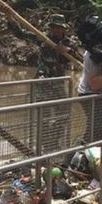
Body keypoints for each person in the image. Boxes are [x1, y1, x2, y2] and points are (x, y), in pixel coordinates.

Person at [36, 14, 74, 154]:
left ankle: (55, 141)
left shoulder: (68, 42)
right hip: (43, 83)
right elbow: (22, 34)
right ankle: (46, 145)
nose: (57, 30)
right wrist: (10, 18)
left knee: (64, 114)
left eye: (60, 28)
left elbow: (79, 57)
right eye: (54, 27)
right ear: (51, 28)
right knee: (43, 117)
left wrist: (68, 51)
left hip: (58, 83)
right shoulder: (42, 38)